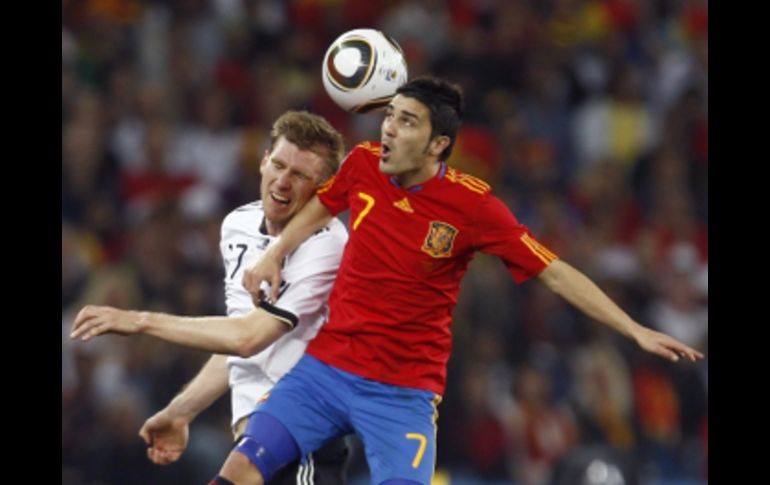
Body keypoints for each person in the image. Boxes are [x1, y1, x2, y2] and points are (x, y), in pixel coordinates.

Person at [219, 76, 703, 485]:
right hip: (326, 370)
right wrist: (275, 255)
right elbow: (323, 204)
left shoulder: (473, 207)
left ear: (438, 145)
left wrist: (633, 329)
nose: (388, 128)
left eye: (406, 121)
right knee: (240, 468)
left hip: (401, 393)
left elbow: (553, 272)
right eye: (390, 115)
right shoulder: (363, 164)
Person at [71, 111, 351, 484]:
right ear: (264, 159)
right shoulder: (238, 226)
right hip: (253, 448)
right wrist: (182, 410)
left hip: (302, 444)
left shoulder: (328, 243)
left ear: (324, 189)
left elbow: (249, 338)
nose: (282, 182)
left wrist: (139, 320)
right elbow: (236, 341)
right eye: (279, 165)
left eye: (300, 175)